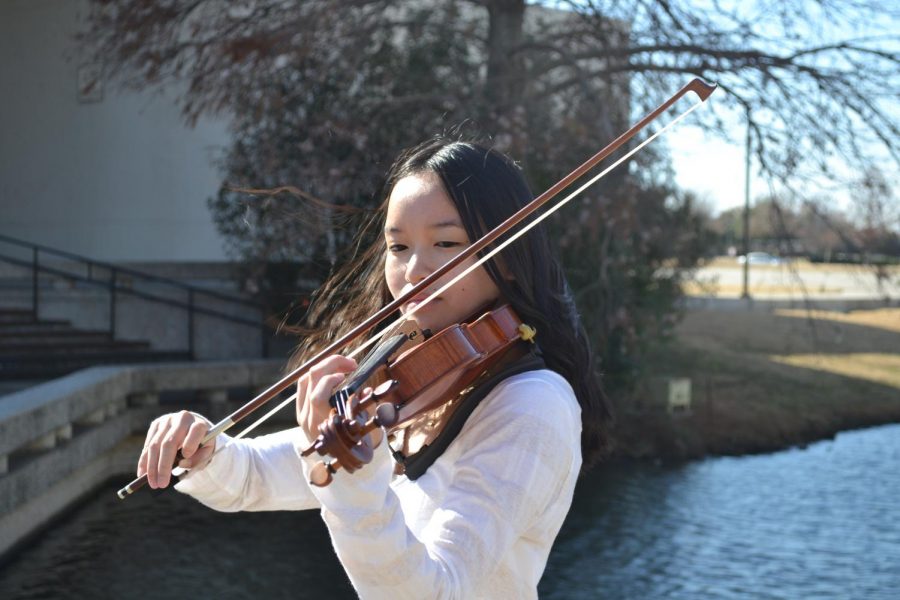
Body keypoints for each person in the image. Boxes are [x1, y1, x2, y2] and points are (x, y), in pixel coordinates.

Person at [138, 137, 613, 599]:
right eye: (399, 247)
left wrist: (352, 478)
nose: (413, 271)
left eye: (446, 243)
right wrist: (203, 448)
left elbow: (435, 590)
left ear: (508, 258)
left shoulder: (532, 404)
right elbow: (255, 477)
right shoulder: (406, 377)